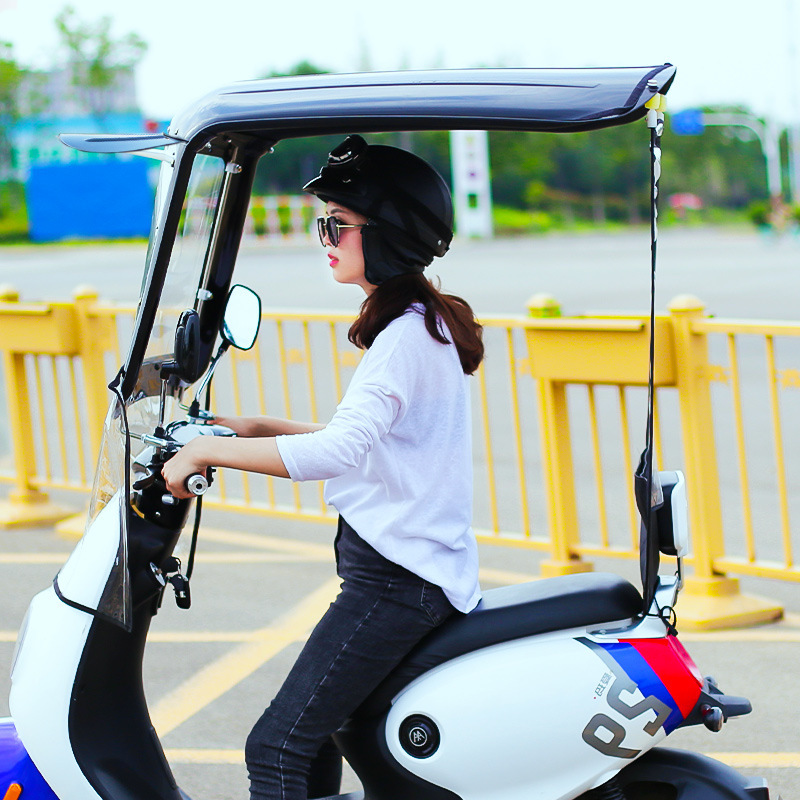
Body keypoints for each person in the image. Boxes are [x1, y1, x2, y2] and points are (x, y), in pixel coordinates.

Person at [162, 134, 484, 800]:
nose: (325, 238)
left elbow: (336, 453)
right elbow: (367, 441)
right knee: (322, 732)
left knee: (277, 747)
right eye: (322, 223)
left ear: (388, 232)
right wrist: (251, 427)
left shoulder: (404, 336)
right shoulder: (420, 321)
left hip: (398, 582)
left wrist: (206, 449)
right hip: (408, 572)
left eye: (338, 224)